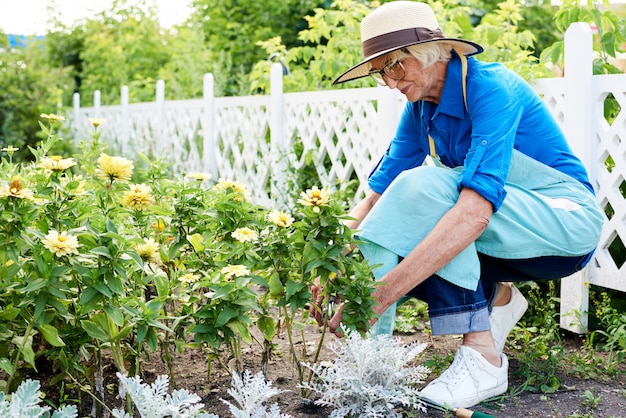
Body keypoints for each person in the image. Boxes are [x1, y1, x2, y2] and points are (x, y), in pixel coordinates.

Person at [310, 0, 604, 409]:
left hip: (565, 223)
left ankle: (483, 357)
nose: (392, 83)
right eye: (381, 73)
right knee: (402, 213)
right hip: (508, 227)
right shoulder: (420, 109)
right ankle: (490, 302)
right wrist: (331, 259)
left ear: (429, 53)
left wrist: (378, 297)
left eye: (395, 66)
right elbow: (378, 197)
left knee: (427, 191)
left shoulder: (490, 89)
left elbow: (472, 212)